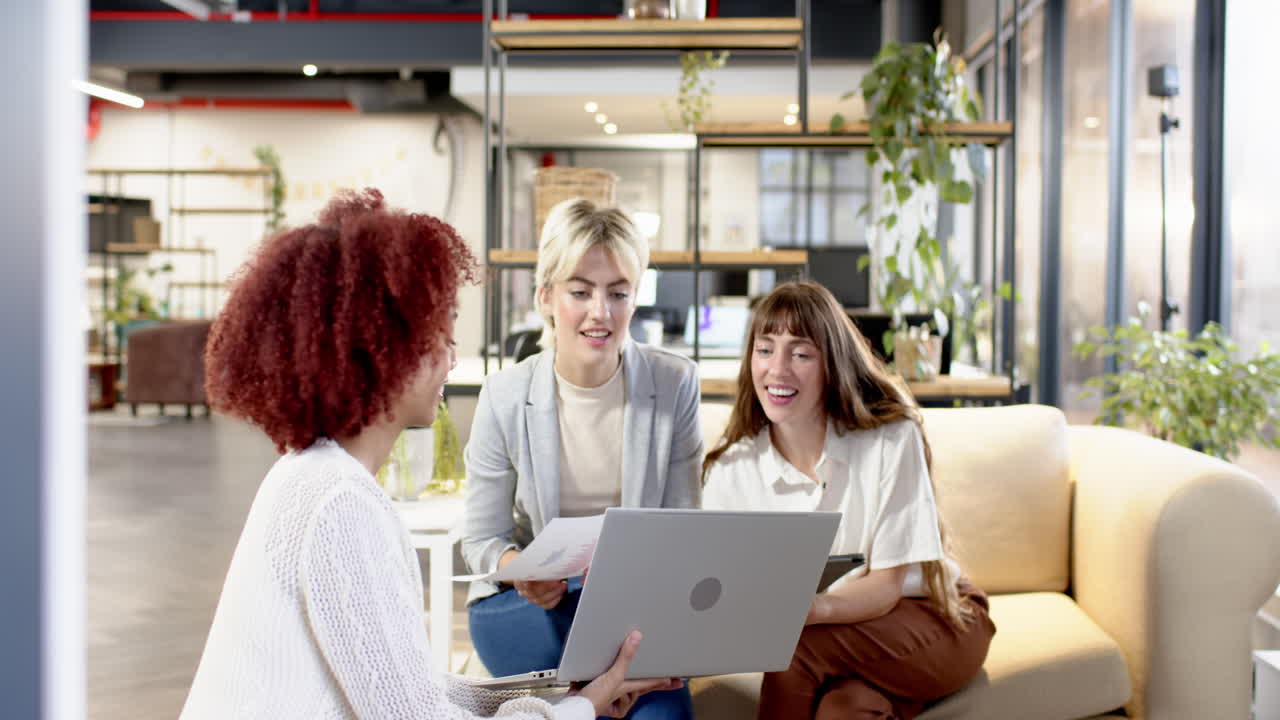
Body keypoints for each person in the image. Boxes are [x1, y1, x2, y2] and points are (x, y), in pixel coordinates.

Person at [181, 189, 680, 720]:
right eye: (439, 336)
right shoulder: (340, 507)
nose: (452, 356)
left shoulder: (318, 477)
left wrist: (565, 695)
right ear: (382, 351)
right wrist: (580, 707)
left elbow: (410, 687)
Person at [701, 281, 995, 720]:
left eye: (800, 354)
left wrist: (807, 610)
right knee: (846, 710)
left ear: (831, 364)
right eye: (765, 350)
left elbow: (886, 587)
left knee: (795, 650)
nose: (777, 370)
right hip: (841, 640)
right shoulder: (731, 468)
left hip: (934, 615)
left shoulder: (889, 437)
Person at [462, 198, 702, 719]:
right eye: (580, 291)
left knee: (662, 710)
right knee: (602, 678)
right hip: (529, 606)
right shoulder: (504, 395)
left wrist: (629, 576)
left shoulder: (675, 383)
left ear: (635, 298)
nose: (601, 312)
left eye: (618, 293)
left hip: (631, 609)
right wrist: (519, 570)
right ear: (546, 296)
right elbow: (480, 541)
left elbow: (686, 528)